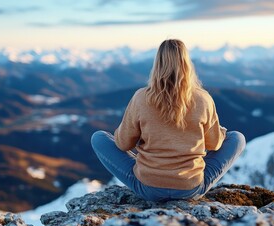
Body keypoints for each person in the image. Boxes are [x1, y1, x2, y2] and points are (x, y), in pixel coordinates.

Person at [91, 39, 246, 201]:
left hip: (149, 188)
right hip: (190, 189)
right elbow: (214, 144)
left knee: (99, 138)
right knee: (237, 138)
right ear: (187, 65)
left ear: (157, 64)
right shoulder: (203, 99)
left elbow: (123, 144)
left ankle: (152, 171)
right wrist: (218, 131)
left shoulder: (141, 98)